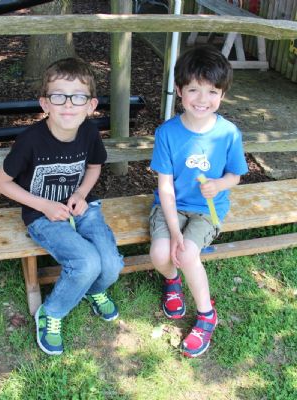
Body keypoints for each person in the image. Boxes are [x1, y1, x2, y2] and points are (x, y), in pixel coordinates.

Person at [0, 57, 124, 356]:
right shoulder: (30, 140)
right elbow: (1, 183)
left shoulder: (89, 132)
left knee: (112, 264)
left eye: (77, 97)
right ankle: (51, 312)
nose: (68, 104)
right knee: (86, 263)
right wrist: (45, 205)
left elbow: (94, 167)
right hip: (43, 215)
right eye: (58, 96)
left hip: (82, 207)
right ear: (45, 103)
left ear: (91, 105)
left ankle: (92, 290)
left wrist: (81, 193)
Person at [149, 45, 248, 358]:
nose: (202, 99)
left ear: (222, 94)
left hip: (207, 210)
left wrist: (219, 184)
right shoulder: (167, 133)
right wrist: (173, 231)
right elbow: (165, 187)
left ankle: (206, 314)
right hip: (171, 206)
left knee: (188, 253)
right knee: (161, 253)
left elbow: (236, 176)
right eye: (194, 89)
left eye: (212, 91)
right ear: (179, 91)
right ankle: (172, 281)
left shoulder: (229, 133)